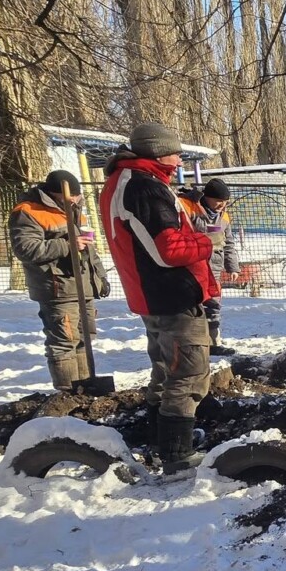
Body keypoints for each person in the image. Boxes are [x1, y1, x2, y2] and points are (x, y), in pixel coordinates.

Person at [99, 123, 216, 472]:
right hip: (170, 295)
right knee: (190, 372)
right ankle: (177, 453)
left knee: (166, 369)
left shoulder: (127, 181)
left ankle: (159, 438)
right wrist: (207, 242)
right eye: (175, 153)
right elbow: (170, 250)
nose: (180, 160)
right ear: (157, 152)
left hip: (152, 295)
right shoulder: (144, 187)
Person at [9, 169, 110, 392]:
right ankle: (68, 391)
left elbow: (89, 250)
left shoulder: (74, 209)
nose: (75, 200)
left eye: (77, 196)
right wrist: (67, 245)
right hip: (57, 287)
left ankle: (86, 386)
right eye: (70, 197)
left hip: (82, 285)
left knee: (85, 337)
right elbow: (25, 248)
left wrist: (99, 277)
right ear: (54, 194)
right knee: (65, 340)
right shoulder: (28, 211)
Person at [176, 178, 242, 355]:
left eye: (225, 201)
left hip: (214, 268)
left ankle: (214, 343)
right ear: (207, 197)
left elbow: (228, 243)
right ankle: (192, 344)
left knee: (213, 305)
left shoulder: (224, 216)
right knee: (192, 307)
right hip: (191, 267)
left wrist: (233, 267)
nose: (222, 205)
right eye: (218, 201)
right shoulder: (188, 207)